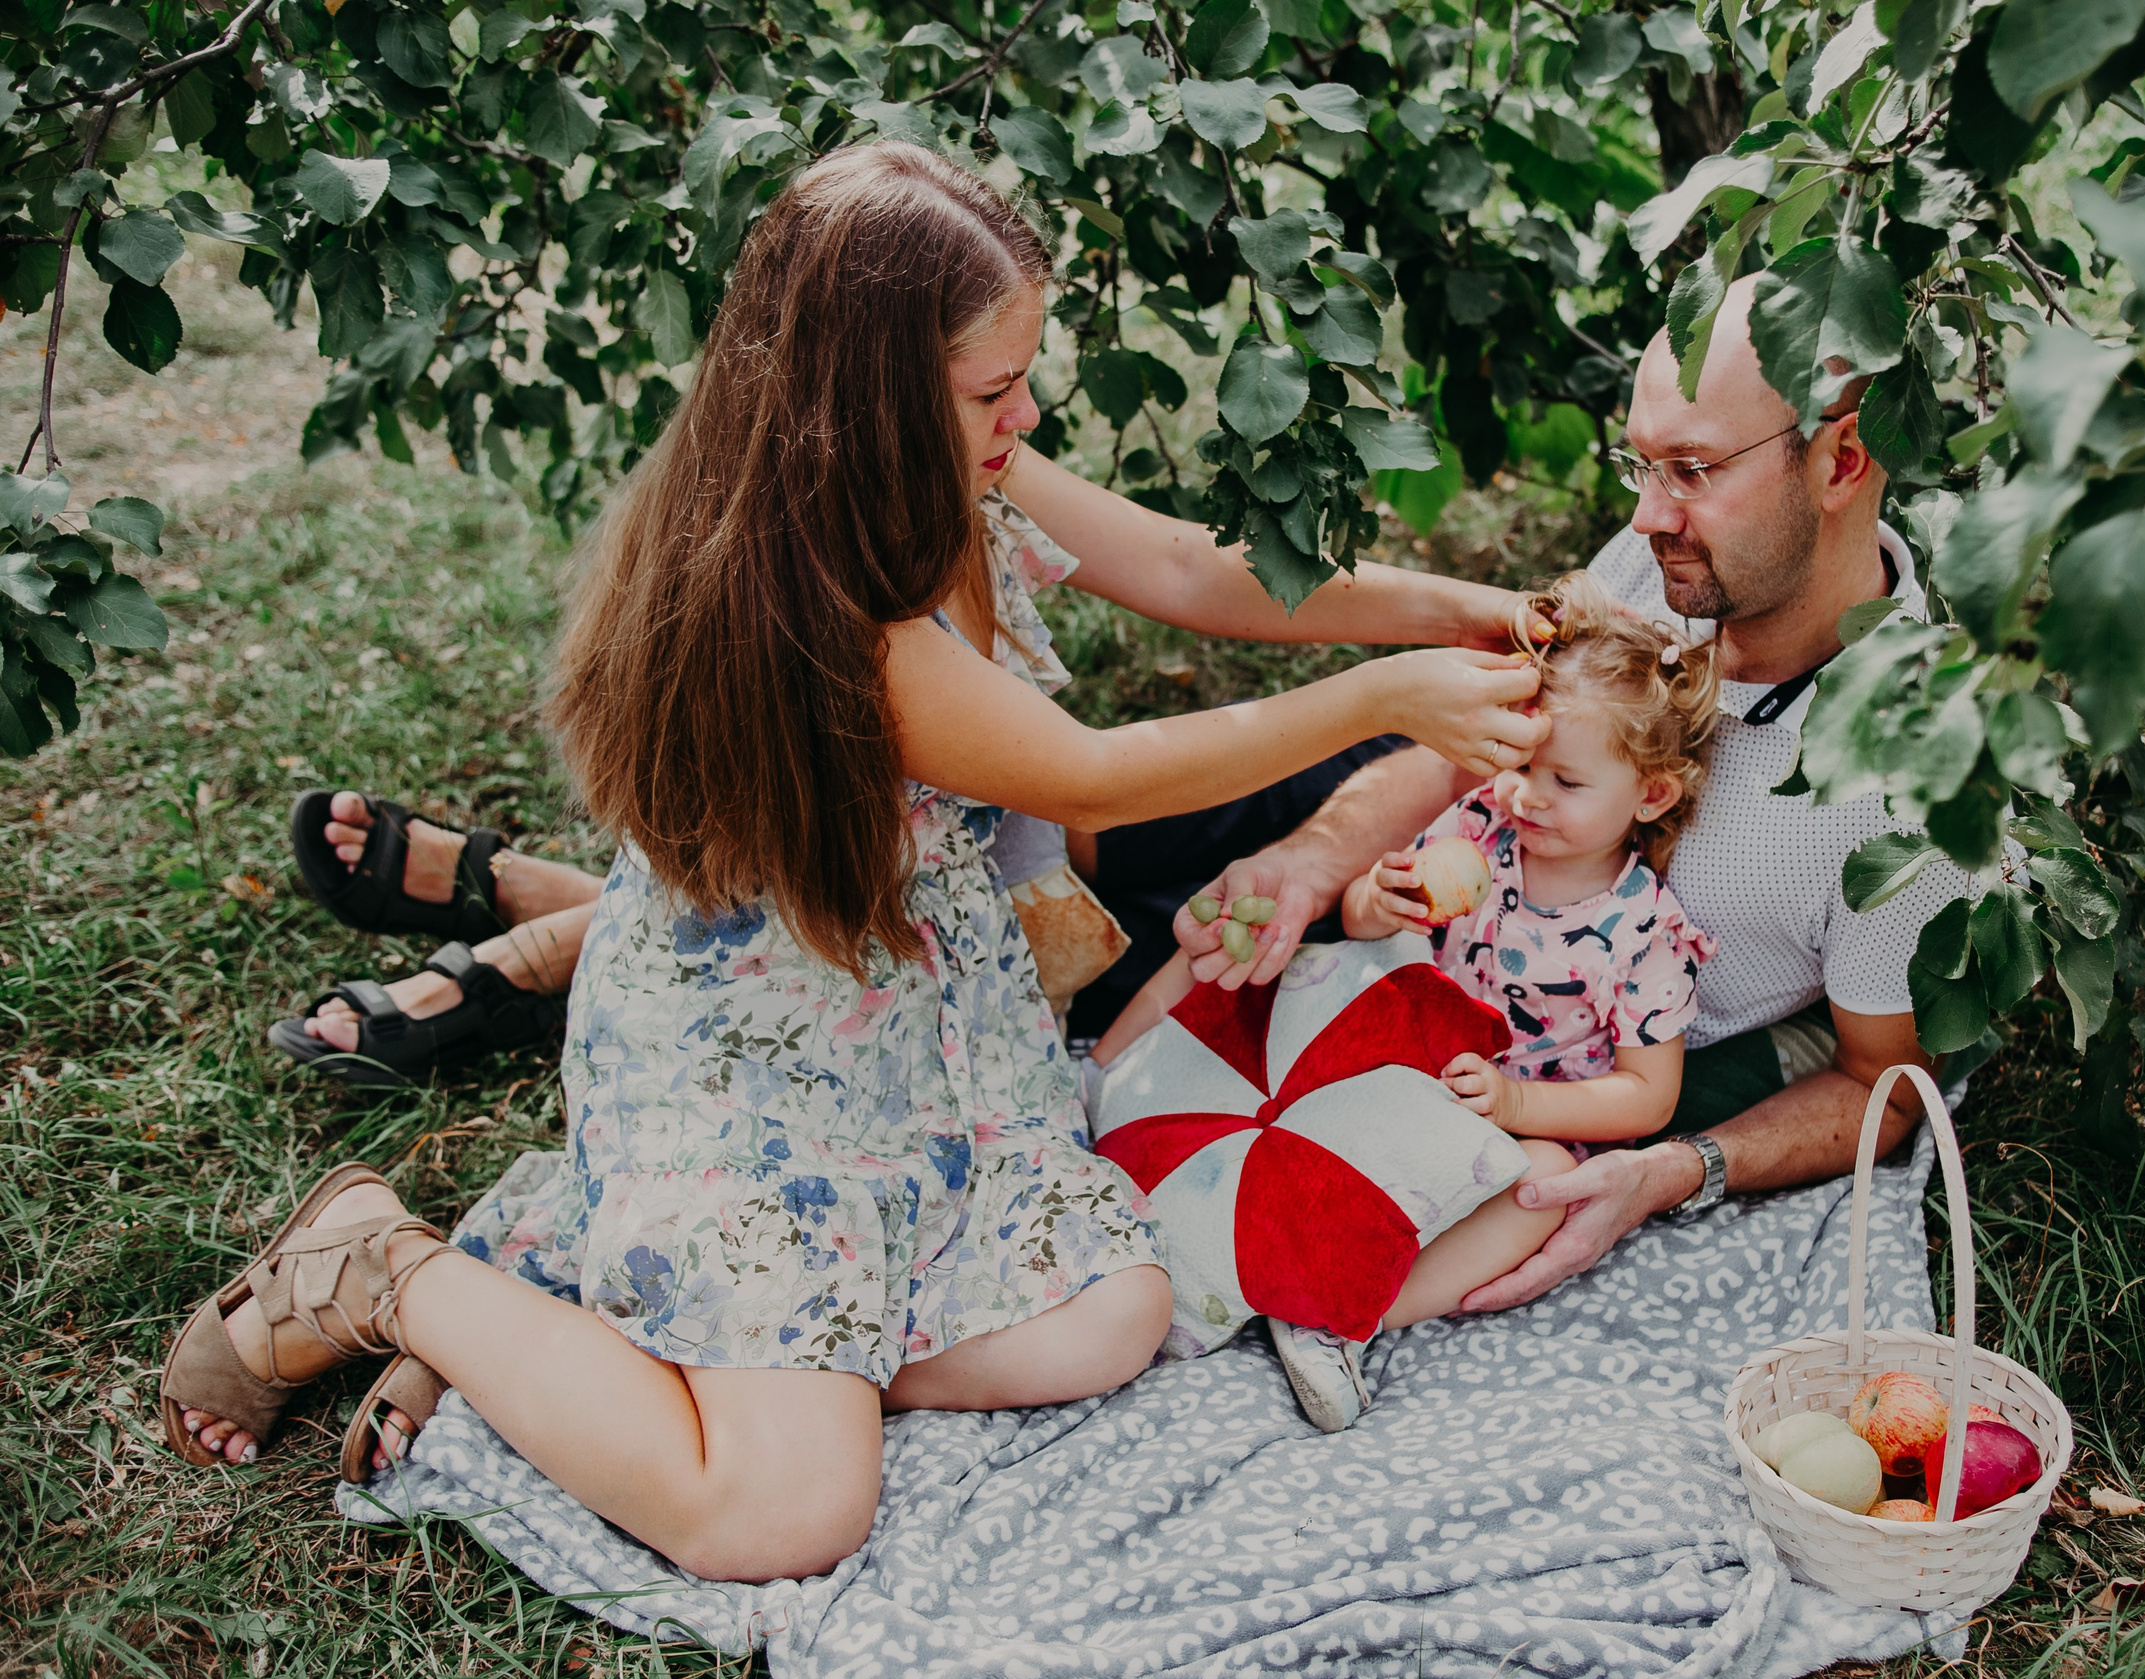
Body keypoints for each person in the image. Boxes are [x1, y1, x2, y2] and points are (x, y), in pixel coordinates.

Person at [160, 143, 1553, 1583]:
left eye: (1025, 375)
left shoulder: (941, 459)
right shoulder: (822, 604)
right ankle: (384, 1266)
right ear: (873, 396)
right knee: (784, 1515)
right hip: (755, 1081)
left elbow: (1195, 569)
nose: (1027, 411)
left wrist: (1475, 611)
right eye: (993, 387)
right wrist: (1385, 696)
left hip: (907, 1048)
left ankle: (628, 1350)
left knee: (1115, 1311)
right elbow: (1085, 771)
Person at [1158, 274, 1979, 1319]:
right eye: (1639, 463)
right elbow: (1474, 756)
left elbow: (1879, 1085)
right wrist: (1321, 867)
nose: (1644, 518)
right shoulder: (1662, 574)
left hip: (1590, 1052)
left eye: (1688, 470)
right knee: (1165, 868)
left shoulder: (1905, 788)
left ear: (1843, 460)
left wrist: (1672, 1170)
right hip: (1461, 913)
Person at [1092, 570, 1724, 1429]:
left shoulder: (1643, 931)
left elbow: (1651, 1094)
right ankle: (1109, 1077)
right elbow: (1359, 922)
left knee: (1548, 1184)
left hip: (1499, 1118)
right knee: (1251, 941)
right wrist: (1374, 900)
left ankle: (1346, 1315)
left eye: (1567, 783)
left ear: (1650, 794)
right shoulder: (1481, 827)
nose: (1529, 795)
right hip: (1382, 1048)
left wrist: (1517, 1100)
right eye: (1521, 764)